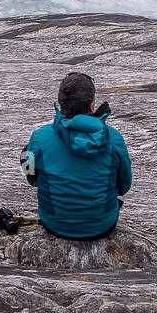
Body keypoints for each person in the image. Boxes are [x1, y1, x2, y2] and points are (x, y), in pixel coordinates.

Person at [21, 71, 132, 240]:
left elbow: (30, 175)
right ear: (92, 105)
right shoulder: (113, 138)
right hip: (101, 226)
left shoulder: (39, 137)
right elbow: (124, 186)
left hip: (54, 224)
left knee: (27, 153)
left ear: (60, 103)